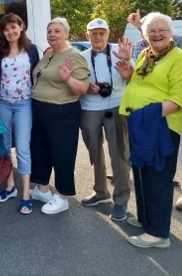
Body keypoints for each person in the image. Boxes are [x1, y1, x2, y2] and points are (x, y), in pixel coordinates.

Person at [116, 12, 182, 248]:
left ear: (170, 33)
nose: (156, 34)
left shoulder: (180, 58)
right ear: (145, 35)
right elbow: (140, 84)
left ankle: (158, 234)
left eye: (161, 30)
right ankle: (147, 219)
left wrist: (146, 118)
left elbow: (179, 99)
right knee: (142, 174)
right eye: (151, 31)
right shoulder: (148, 55)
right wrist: (129, 76)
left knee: (158, 177)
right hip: (140, 123)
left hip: (161, 125)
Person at [29, 17, 90, 214]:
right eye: (49, 31)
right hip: (40, 109)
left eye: (57, 31)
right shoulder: (49, 54)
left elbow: (82, 88)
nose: (52, 35)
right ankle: (43, 190)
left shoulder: (74, 55)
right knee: (41, 150)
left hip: (62, 111)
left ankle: (62, 197)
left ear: (66, 34)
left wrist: (68, 79)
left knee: (62, 154)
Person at [79, 18, 132, 222]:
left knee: (119, 154)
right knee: (95, 153)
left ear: (108, 34)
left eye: (102, 33)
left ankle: (121, 201)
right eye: (93, 33)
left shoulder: (121, 51)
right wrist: (87, 86)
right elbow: (76, 80)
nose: (98, 37)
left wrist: (128, 65)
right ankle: (100, 192)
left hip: (116, 107)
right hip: (89, 108)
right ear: (87, 36)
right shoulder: (81, 56)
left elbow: (134, 78)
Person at [0, 13, 39, 214]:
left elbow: (39, 76)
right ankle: (10, 186)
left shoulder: (32, 50)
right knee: (3, 146)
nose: (10, 32)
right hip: (3, 103)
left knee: (22, 147)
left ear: (21, 27)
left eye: (14, 27)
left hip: (24, 105)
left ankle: (26, 194)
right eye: (6, 29)